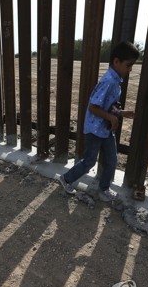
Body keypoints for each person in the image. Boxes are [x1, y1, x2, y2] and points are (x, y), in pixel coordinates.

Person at [58, 41, 139, 201]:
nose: (130, 70)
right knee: (89, 162)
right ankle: (66, 179)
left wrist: (122, 113)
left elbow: (109, 107)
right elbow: (93, 107)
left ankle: (104, 188)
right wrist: (111, 117)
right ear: (116, 62)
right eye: (128, 65)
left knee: (112, 160)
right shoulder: (108, 81)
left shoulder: (115, 81)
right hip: (95, 129)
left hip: (106, 130)